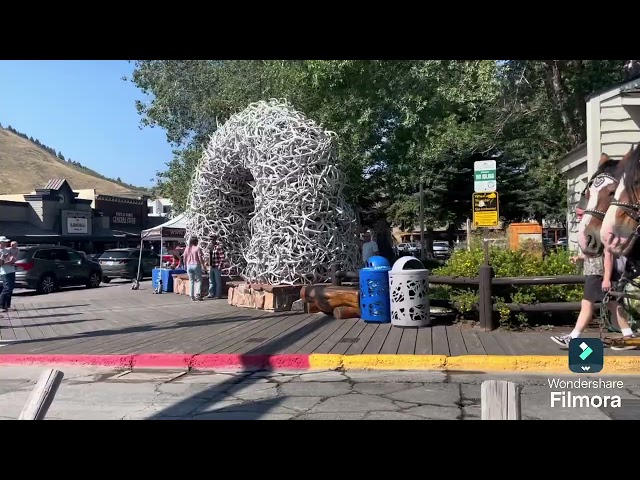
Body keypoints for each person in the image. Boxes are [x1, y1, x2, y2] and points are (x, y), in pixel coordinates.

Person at [550, 249, 637, 350]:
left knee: (587, 303)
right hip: (600, 272)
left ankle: (573, 337)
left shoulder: (600, 233)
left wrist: (606, 279)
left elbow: (608, 253)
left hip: (598, 272)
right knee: (612, 303)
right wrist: (581, 257)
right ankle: (629, 336)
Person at [182, 236, 204, 301]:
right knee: (199, 280)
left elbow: (184, 257)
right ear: (196, 242)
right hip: (196, 264)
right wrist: (203, 265)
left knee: (191, 281)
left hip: (189, 265)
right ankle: (198, 294)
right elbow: (200, 258)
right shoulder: (197, 248)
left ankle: (192, 296)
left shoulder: (187, 248)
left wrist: (185, 264)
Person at [0, 236, 18, 313]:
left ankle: (7, 305)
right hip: (5, 272)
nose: (6, 243)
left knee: (10, 288)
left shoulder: (6, 250)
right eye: (4, 242)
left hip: (11, 270)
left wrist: (13, 261)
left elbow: (11, 258)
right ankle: (1, 306)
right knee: (6, 288)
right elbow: (0, 264)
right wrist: (8, 262)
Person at [207, 235, 225, 300]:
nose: (210, 241)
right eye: (210, 239)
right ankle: (211, 294)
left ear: (215, 240)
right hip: (211, 266)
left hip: (217, 266)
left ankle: (218, 295)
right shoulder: (209, 247)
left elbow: (222, 257)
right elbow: (208, 256)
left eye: (211, 239)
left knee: (217, 281)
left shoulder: (218, 247)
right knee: (211, 281)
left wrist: (220, 265)